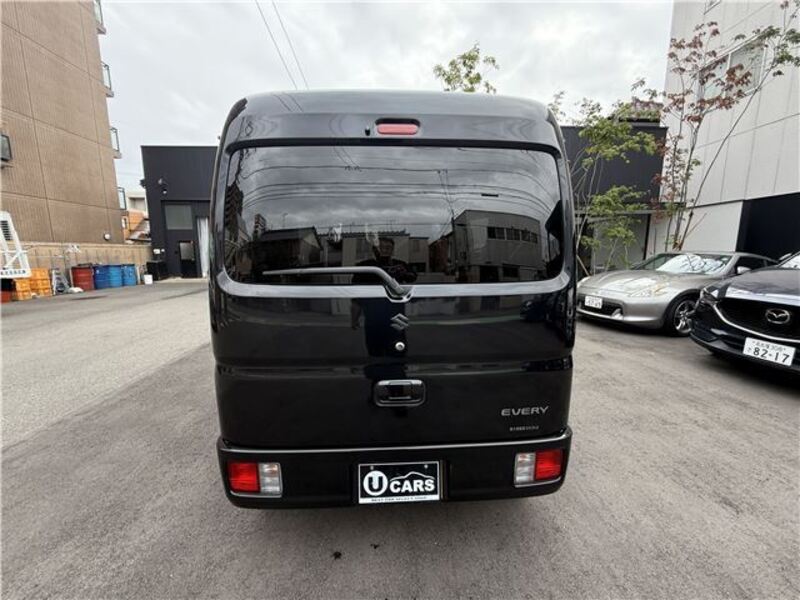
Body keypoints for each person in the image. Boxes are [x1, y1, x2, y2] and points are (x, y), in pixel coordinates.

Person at [350, 237, 416, 358]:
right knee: (375, 352)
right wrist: (354, 318)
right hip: (373, 318)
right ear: (374, 249)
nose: (385, 250)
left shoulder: (399, 265)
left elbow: (412, 277)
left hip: (397, 317)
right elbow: (356, 297)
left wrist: (403, 272)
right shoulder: (365, 267)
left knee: (398, 351)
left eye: (388, 248)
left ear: (392, 250)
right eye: (381, 247)